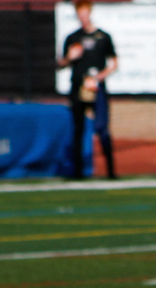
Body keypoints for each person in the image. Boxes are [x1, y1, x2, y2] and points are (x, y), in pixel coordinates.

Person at [57, 0, 118, 181]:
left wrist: (100, 76)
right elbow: (60, 64)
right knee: (78, 129)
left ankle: (111, 172)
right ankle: (78, 173)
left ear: (90, 13)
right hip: (78, 88)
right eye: (79, 14)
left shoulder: (103, 37)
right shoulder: (73, 38)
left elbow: (114, 63)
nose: (83, 18)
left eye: (85, 13)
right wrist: (69, 57)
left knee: (101, 128)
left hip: (96, 89)